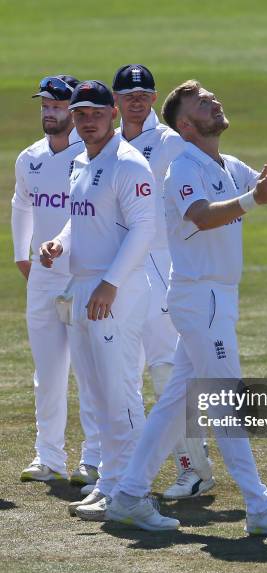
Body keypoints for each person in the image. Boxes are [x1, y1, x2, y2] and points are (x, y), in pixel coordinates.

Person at [84, 80, 267, 535]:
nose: (214, 101)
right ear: (186, 124)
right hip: (199, 298)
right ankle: (260, 507)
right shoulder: (183, 166)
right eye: (203, 101)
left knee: (173, 406)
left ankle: (127, 496)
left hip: (215, 299)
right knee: (226, 401)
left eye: (211, 96)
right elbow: (202, 216)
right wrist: (250, 200)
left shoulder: (225, 164)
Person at [38, 81, 167, 524]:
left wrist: (110, 284)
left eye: (95, 112)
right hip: (83, 288)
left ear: (113, 113)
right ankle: (110, 484)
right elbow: (82, 222)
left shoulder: (128, 164)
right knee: (96, 395)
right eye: (80, 114)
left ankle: (135, 494)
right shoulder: (79, 162)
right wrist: (57, 243)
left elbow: (144, 228)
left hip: (117, 292)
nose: (87, 120)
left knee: (121, 392)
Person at [112, 64, 214, 500]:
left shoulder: (171, 142)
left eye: (144, 92)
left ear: (153, 98)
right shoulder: (106, 141)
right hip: (116, 267)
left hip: (160, 263)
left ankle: (194, 468)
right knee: (118, 370)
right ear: (116, 100)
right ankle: (112, 469)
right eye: (127, 93)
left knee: (167, 369)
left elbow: (201, 191)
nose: (136, 99)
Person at [11, 75, 100, 485]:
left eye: (58, 106)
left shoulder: (92, 156)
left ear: (75, 109)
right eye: (45, 105)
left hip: (82, 275)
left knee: (88, 368)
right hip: (43, 278)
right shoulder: (29, 157)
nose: (49, 112)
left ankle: (93, 458)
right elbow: (23, 204)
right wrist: (20, 254)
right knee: (47, 371)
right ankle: (49, 457)